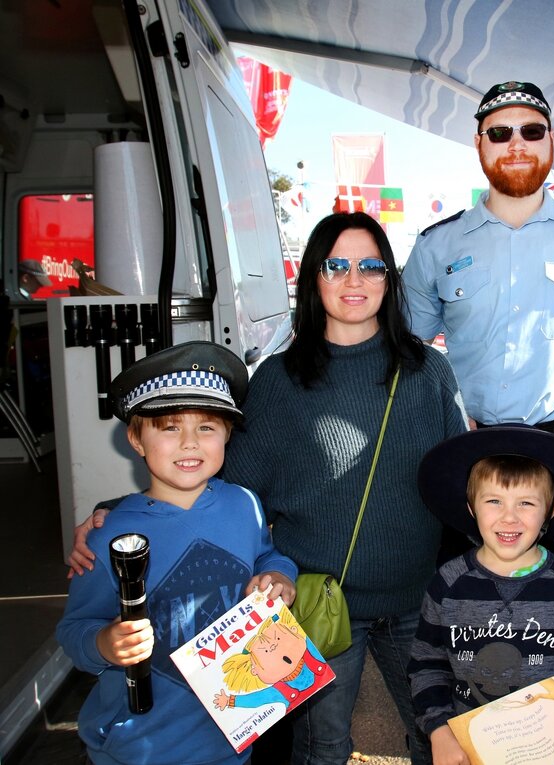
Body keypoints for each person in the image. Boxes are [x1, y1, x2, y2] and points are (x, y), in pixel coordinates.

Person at [68, 212, 469, 765]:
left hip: (417, 601)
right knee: (321, 749)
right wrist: (118, 512)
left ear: (389, 279)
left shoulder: (429, 372)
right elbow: (213, 475)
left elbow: (462, 484)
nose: (355, 280)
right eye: (337, 265)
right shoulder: (279, 381)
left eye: (371, 265)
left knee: (442, 738)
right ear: (313, 278)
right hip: (317, 603)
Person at [402, 81, 554, 606]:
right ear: (479, 144)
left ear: (551, 142)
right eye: (500, 132)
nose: (516, 143)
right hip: (469, 460)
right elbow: (409, 351)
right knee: (467, 617)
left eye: (531, 131)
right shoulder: (437, 245)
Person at [56, 341, 298, 765]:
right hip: (138, 747)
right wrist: (104, 643)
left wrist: (279, 576)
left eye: (207, 427)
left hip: (232, 733)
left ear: (227, 434)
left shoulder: (245, 505)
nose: (189, 443)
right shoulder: (105, 537)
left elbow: (266, 556)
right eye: (168, 427)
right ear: (136, 438)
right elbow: (75, 630)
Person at [408, 427, 554, 764]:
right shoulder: (447, 585)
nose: (509, 516)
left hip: (552, 750)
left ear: (551, 509)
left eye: (526, 503)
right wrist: (438, 730)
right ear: (471, 506)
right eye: (494, 501)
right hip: (472, 749)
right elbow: (426, 665)